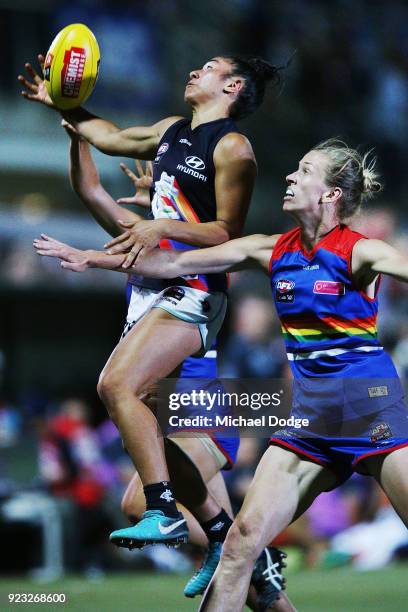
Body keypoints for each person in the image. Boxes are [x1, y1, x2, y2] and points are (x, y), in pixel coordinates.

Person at [36, 138, 408, 610]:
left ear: (331, 195)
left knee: (146, 474)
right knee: (239, 544)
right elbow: (172, 262)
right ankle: (231, 545)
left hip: (370, 408)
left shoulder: (361, 252)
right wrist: (94, 259)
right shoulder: (269, 249)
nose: (290, 177)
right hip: (309, 422)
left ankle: (186, 514)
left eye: (304, 171)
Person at [20, 54, 281, 552]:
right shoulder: (170, 132)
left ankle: (166, 513)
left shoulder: (232, 147)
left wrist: (161, 225)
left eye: (208, 67)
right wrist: (71, 109)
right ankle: (234, 545)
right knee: (233, 564)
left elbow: (228, 231)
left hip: (197, 289)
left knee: (116, 385)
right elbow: (108, 145)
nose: (193, 70)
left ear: (234, 86)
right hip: (163, 297)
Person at [61, 122, 290, 608]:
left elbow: (216, 233)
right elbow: (88, 188)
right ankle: (245, 552)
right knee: (247, 586)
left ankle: (231, 541)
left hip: (198, 406)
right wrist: (76, 128)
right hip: (171, 407)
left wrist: (157, 224)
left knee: (139, 495)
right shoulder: (141, 244)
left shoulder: (191, 261)